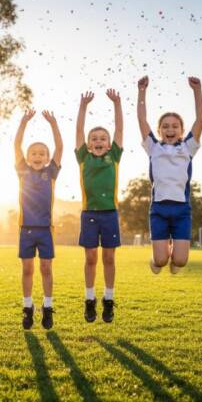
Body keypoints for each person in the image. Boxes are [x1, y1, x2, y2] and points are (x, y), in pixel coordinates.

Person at [136, 75, 202, 275]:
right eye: (165, 126)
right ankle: (158, 259)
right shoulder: (153, 147)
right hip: (159, 209)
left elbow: (200, 119)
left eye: (175, 126)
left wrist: (197, 91)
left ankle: (175, 258)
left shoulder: (188, 147)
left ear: (182, 130)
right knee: (160, 261)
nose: (170, 129)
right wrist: (142, 91)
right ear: (159, 130)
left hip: (182, 210)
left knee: (181, 262)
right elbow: (141, 119)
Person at [75, 88, 123, 323]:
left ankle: (109, 299)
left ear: (109, 142)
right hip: (89, 214)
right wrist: (83, 106)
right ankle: (89, 299)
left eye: (103, 138)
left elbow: (120, 129)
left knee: (109, 259)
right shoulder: (83, 157)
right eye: (94, 138)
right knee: (91, 258)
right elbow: (78, 131)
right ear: (87, 144)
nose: (98, 141)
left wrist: (117, 104)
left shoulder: (114, 155)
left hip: (110, 214)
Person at [14, 109, 63, 330]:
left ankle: (48, 306)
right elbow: (16, 145)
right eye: (33, 153)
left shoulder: (51, 171)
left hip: (45, 229)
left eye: (42, 153)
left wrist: (53, 124)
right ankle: (27, 307)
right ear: (27, 156)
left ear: (47, 157)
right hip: (26, 229)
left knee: (45, 268)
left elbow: (60, 147)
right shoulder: (22, 170)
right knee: (27, 270)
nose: (37, 156)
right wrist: (23, 123)